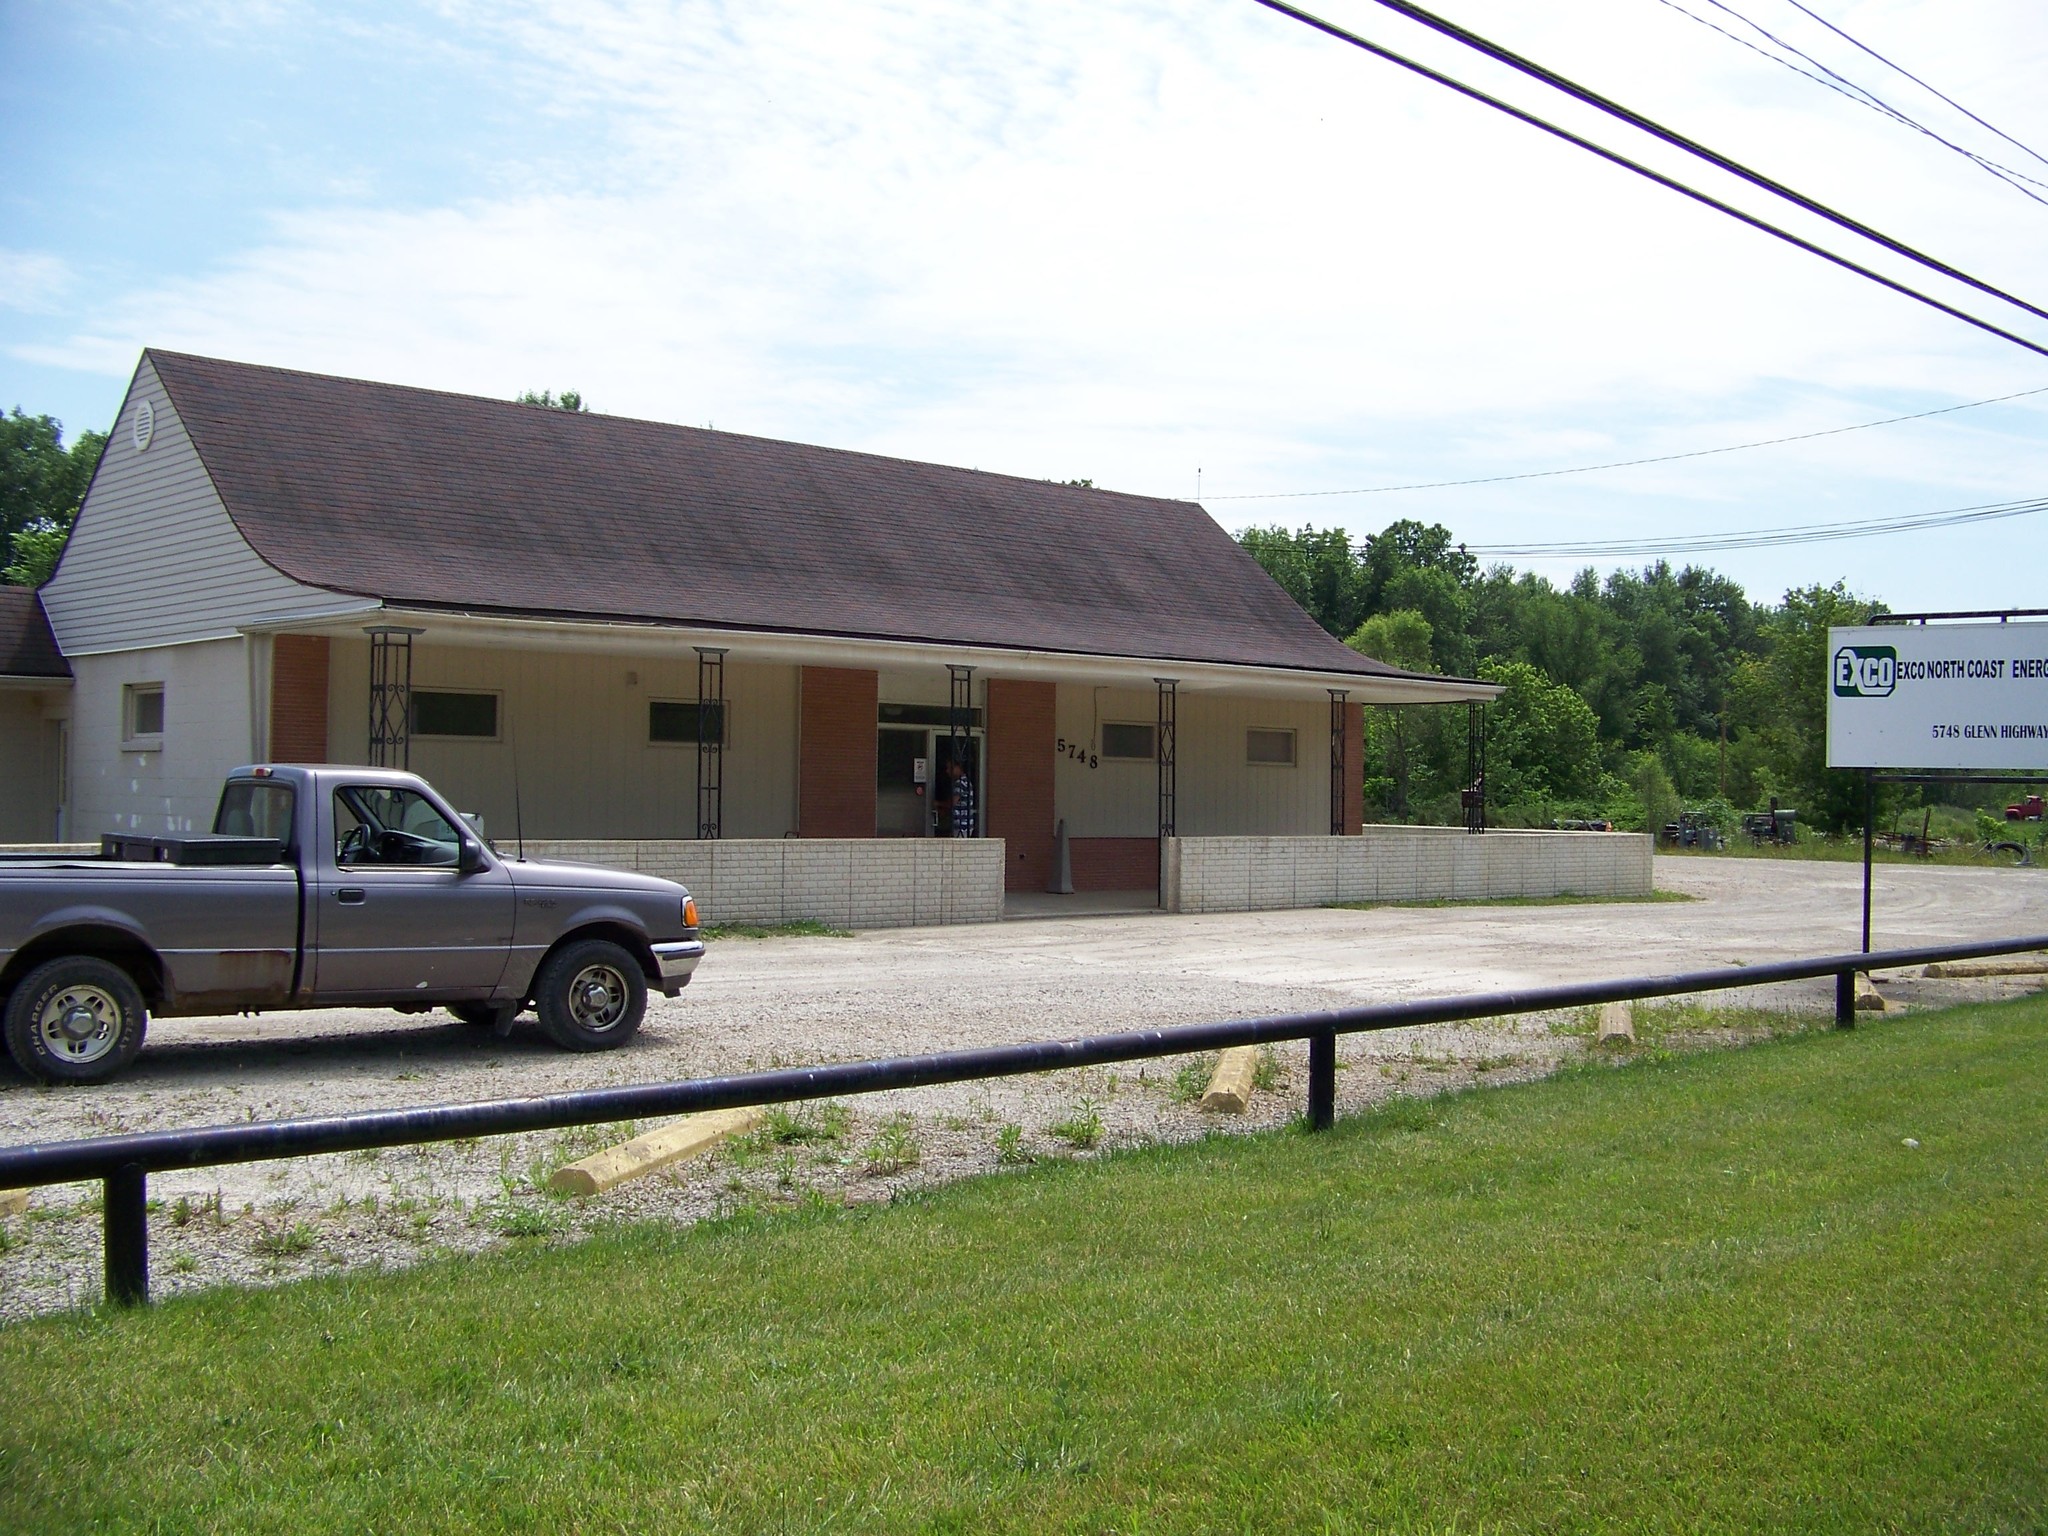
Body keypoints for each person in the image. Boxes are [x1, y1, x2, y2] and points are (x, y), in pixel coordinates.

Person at [943, 756, 976, 839]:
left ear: (958, 767)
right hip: (966, 825)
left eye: (950, 768)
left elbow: (952, 803)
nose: (947, 771)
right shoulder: (966, 782)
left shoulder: (960, 783)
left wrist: (938, 804)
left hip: (961, 826)